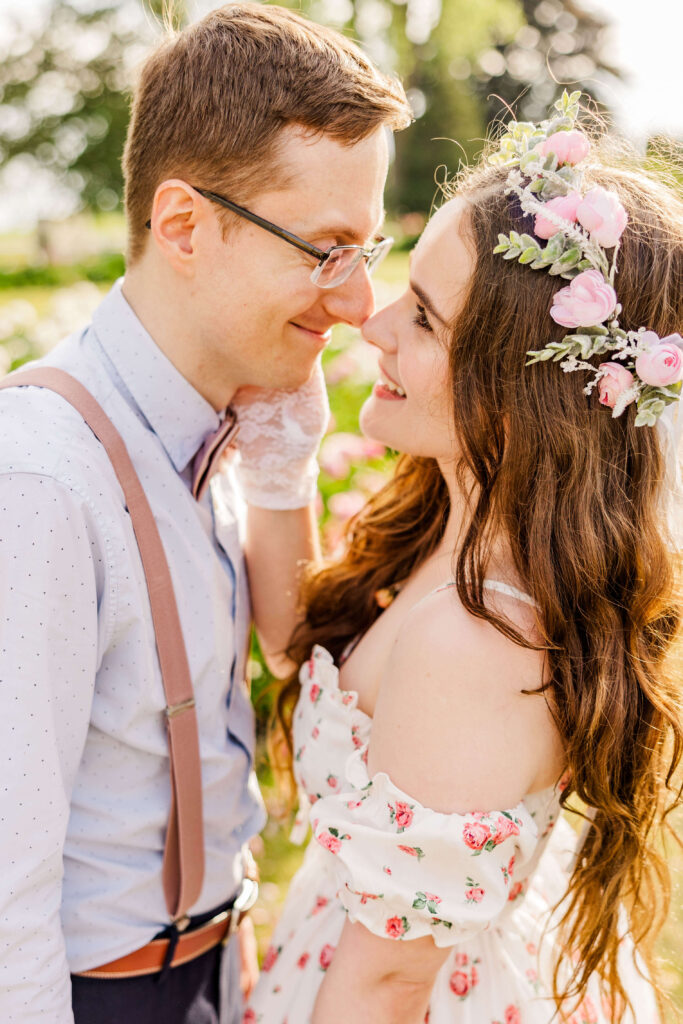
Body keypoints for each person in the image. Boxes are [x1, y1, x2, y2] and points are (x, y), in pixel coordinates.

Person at [0, 5, 410, 1023]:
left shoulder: (220, 427)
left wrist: (283, 475)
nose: (359, 301)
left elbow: (274, 657)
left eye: (368, 247)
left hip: (210, 970)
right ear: (182, 225)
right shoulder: (43, 479)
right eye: (324, 248)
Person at [245, 94, 683, 1024]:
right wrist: (282, 465)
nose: (373, 324)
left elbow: (389, 981)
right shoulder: (458, 526)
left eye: (428, 323)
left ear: (522, 396)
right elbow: (306, 649)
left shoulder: (477, 643)